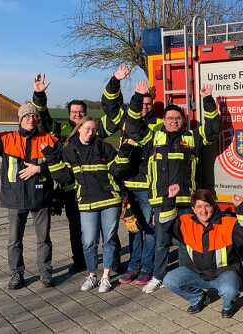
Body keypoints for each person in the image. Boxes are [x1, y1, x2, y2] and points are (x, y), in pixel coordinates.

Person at [124, 81, 221, 294]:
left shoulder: (192, 137)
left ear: (183, 121)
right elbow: (132, 127)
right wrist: (138, 97)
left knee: (187, 243)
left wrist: (208, 100)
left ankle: (187, 277)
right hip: (161, 202)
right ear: (164, 121)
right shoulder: (153, 137)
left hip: (187, 202)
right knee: (161, 243)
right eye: (169, 118)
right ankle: (157, 277)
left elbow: (213, 130)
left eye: (177, 118)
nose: (173, 121)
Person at [32, 67, 129, 273]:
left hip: (100, 189)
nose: (77, 115)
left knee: (108, 231)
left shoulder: (94, 129)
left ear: (86, 114)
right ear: (69, 114)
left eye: (80, 112)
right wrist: (39, 94)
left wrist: (115, 82)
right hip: (72, 191)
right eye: (73, 112)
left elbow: (113, 120)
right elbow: (43, 118)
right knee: (77, 229)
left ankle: (114, 263)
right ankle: (80, 262)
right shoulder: (60, 131)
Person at [0, 102, 57, 289]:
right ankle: (17, 274)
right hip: (15, 198)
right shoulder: (6, 138)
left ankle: (45, 272)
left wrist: (40, 168)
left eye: (33, 116)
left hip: (41, 197)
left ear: (38, 119)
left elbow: (62, 165)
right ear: (20, 119)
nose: (30, 119)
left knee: (44, 239)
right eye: (26, 116)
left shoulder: (48, 139)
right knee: (14, 241)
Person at [42, 116, 130, 293]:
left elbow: (117, 170)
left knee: (109, 240)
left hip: (110, 200)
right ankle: (92, 274)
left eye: (93, 130)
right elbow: (64, 177)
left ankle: (105, 276)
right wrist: (51, 158)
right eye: (87, 129)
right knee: (89, 242)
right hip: (87, 203)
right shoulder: (69, 150)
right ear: (79, 128)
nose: (91, 133)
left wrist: (125, 153)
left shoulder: (104, 147)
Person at [101, 78, 163, 287]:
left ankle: (147, 268)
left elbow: (141, 136)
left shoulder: (158, 124)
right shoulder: (127, 119)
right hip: (129, 185)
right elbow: (110, 106)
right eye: (141, 104)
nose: (145, 107)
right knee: (133, 228)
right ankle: (133, 267)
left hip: (147, 186)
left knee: (149, 229)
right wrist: (115, 80)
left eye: (148, 104)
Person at [160, 188, 243, 318]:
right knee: (169, 280)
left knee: (229, 290)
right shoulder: (186, 223)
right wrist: (169, 200)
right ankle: (198, 298)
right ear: (193, 209)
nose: (203, 211)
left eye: (207, 206)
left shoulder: (227, 223)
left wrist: (241, 208)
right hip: (198, 272)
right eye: (199, 206)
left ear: (214, 206)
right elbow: (165, 224)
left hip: (224, 272)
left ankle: (228, 305)